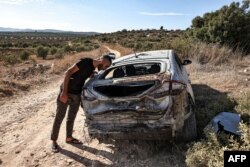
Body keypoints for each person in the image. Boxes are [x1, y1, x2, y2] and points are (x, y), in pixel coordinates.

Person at [51, 55, 112, 153]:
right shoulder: (85, 61)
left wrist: (91, 75)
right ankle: (54, 142)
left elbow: (81, 75)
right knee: (59, 117)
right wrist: (64, 93)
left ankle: (69, 138)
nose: (105, 69)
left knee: (71, 117)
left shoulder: (92, 68)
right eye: (106, 66)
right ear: (103, 62)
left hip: (76, 94)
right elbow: (68, 73)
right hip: (67, 92)